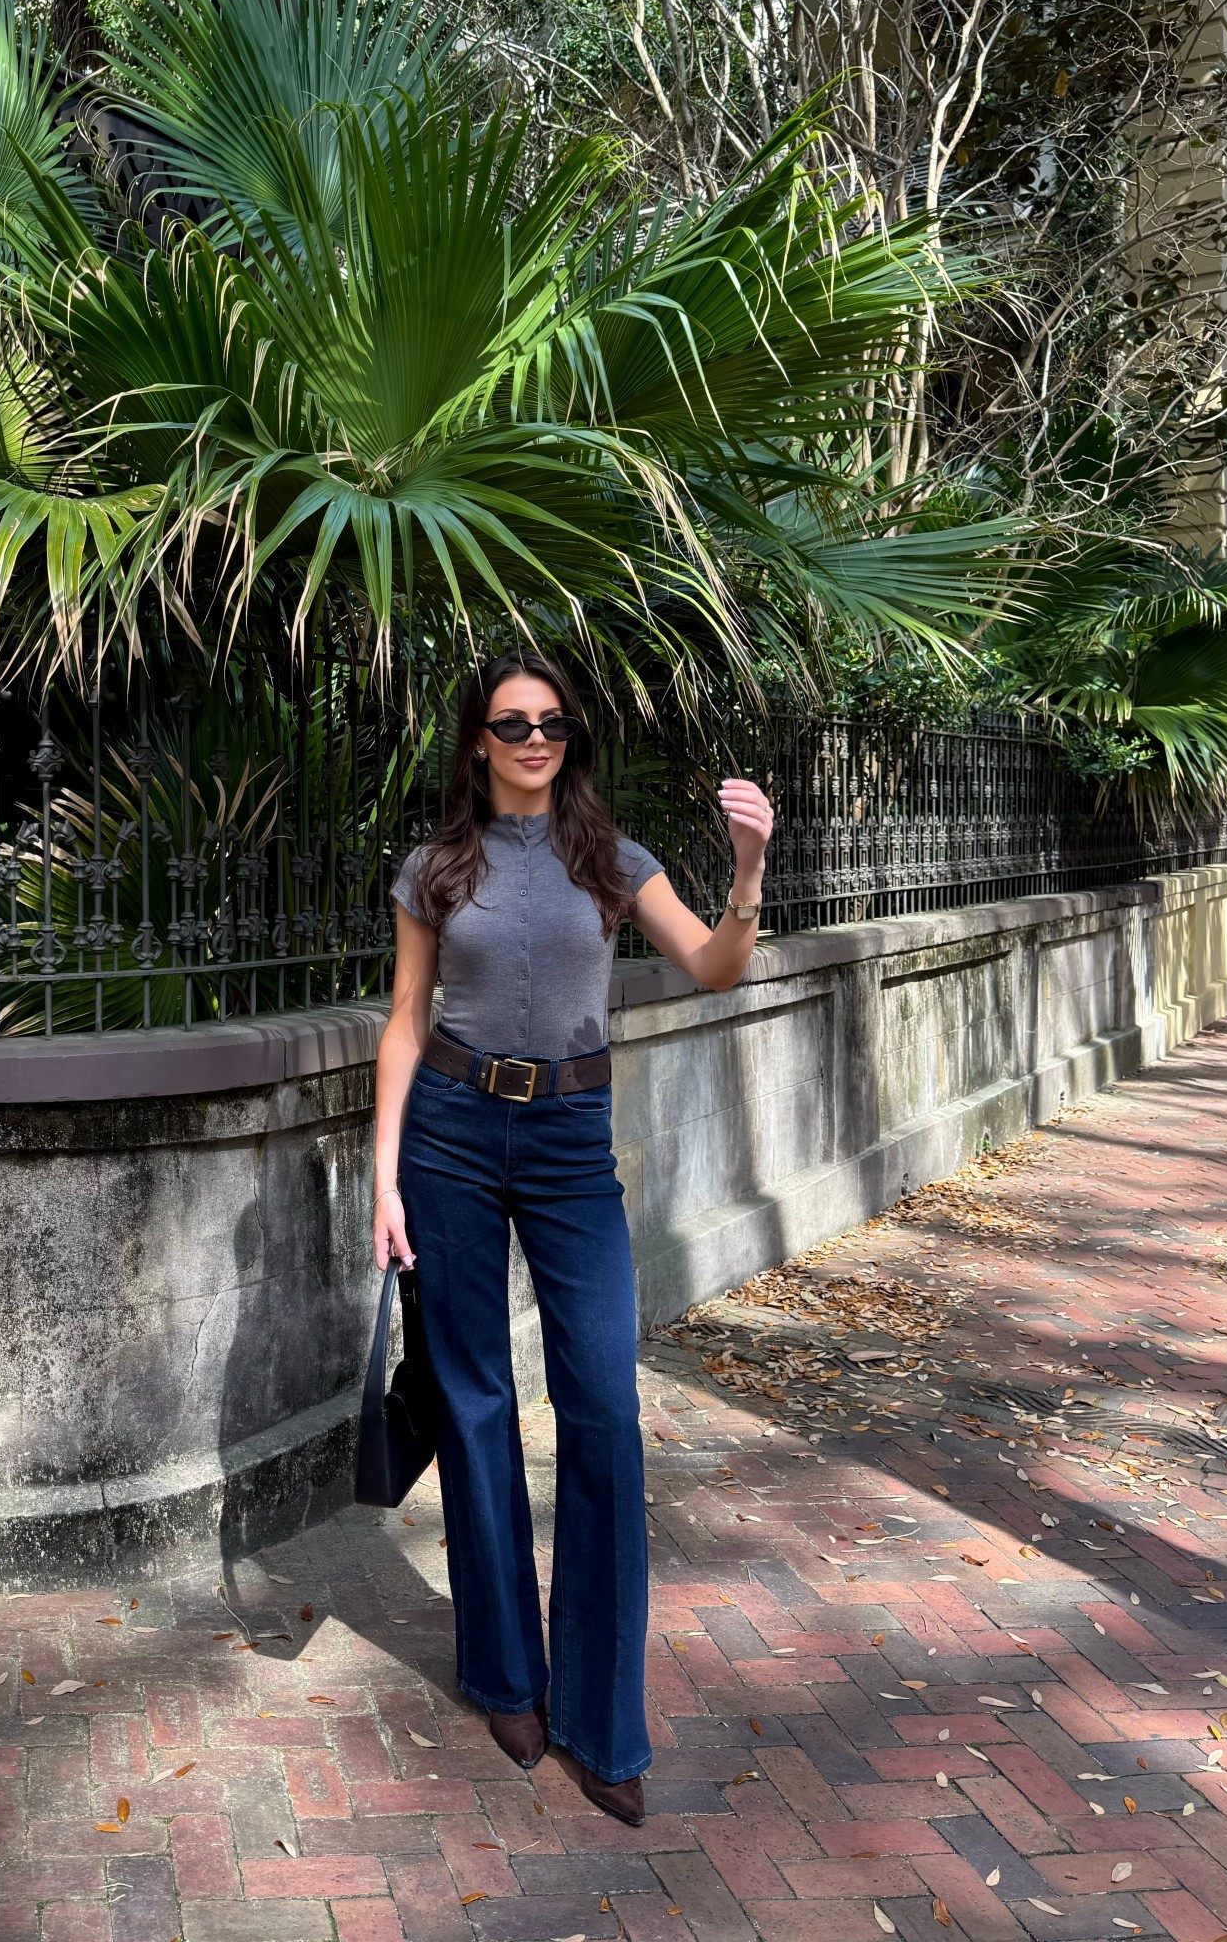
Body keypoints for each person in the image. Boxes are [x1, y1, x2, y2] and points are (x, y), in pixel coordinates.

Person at [372, 649, 774, 1826]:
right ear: (479, 741)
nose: (536, 737)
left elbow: (714, 967)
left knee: (600, 1399)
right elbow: (404, 1021)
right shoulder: (435, 869)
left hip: (568, 1138)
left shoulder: (614, 860)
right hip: (449, 1130)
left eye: (552, 721)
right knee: (473, 1399)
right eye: (513, 722)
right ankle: (505, 1670)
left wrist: (748, 871)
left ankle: (604, 1720)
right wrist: (383, 1174)